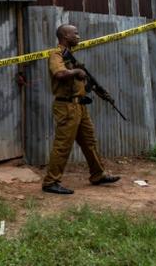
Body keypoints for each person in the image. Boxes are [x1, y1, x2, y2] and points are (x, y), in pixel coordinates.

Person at [41, 24, 120, 194]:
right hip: (66, 106)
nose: (78, 36)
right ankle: (50, 182)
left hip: (79, 107)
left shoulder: (71, 56)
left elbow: (81, 81)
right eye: (75, 33)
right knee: (63, 145)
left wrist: (102, 93)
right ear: (65, 36)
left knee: (89, 142)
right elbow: (59, 74)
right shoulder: (56, 54)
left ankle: (98, 174)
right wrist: (76, 71)